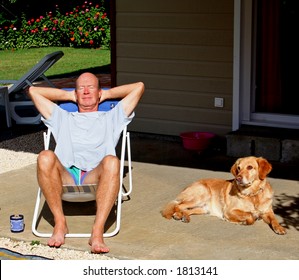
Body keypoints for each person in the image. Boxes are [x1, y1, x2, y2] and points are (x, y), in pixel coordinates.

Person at [28, 72, 144, 253]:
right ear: (75, 94)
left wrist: (106, 94)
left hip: (97, 175)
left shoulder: (112, 117)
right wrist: (69, 95)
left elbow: (139, 87)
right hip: (66, 174)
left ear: (99, 92)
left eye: (91, 87)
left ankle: (97, 231)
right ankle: (60, 223)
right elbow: (34, 91)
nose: (86, 91)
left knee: (112, 161)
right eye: (81, 88)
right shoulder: (62, 117)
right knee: (45, 156)